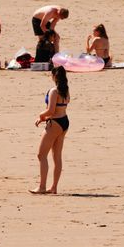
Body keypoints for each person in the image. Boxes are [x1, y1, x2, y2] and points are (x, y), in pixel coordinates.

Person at [31, 66, 70, 194]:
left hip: (55, 123)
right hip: (64, 121)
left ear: (54, 76)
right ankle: (54, 187)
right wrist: (44, 118)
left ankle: (42, 186)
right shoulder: (66, 90)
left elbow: (51, 110)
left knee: (41, 155)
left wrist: (41, 116)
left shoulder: (54, 91)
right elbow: (60, 108)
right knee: (57, 156)